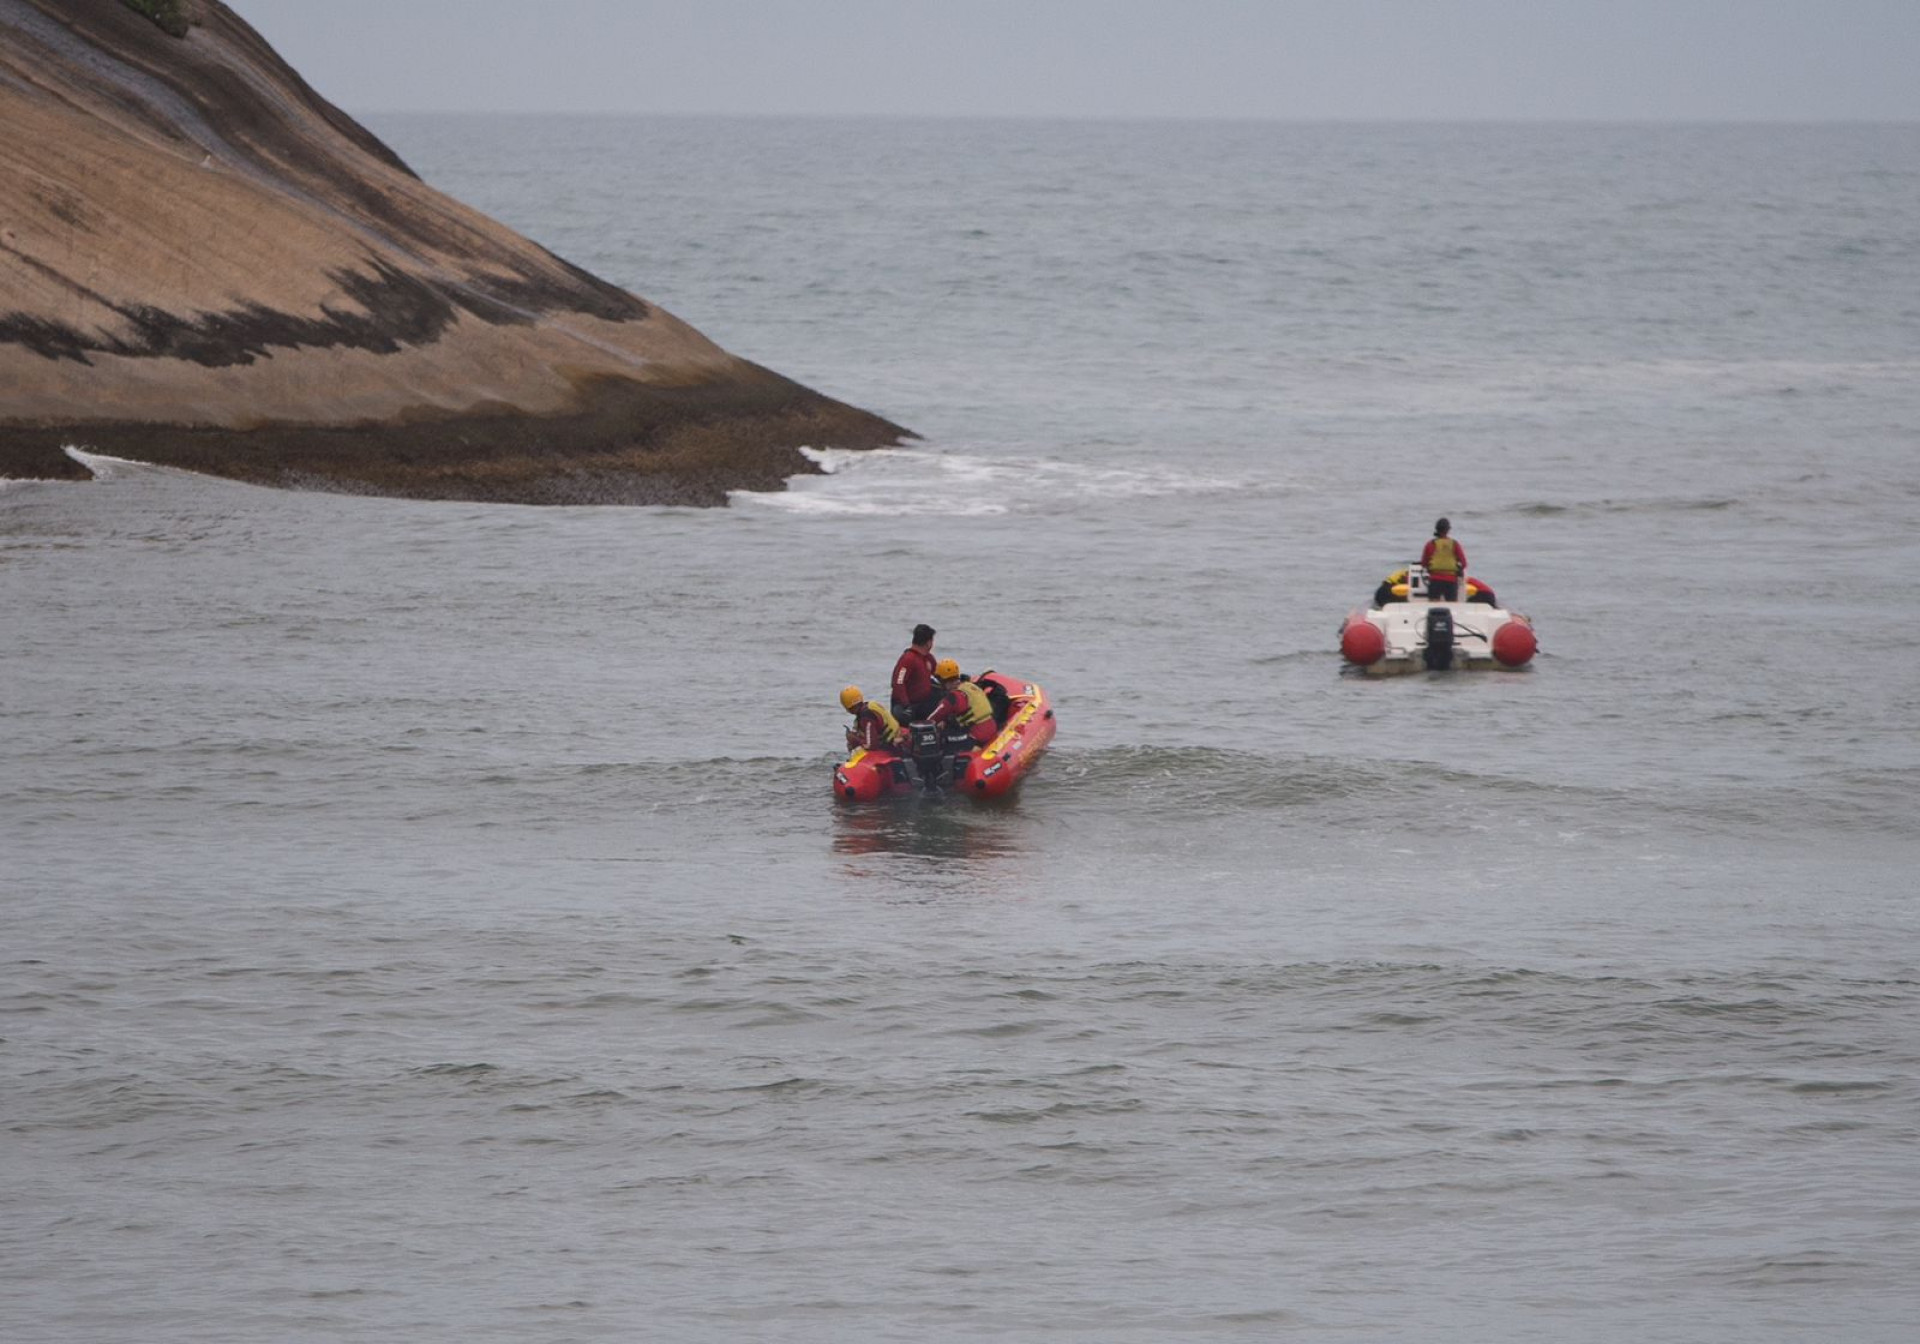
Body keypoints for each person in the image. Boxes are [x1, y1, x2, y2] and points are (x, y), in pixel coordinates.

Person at [926, 659, 999, 746]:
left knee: (942, 739)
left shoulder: (952, 698)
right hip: (992, 727)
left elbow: (933, 718)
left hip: (977, 734)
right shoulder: (970, 686)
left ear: (944, 681)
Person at [890, 623, 941, 721]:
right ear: (929, 642)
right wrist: (906, 705)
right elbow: (898, 682)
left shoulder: (928, 659)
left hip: (923, 703)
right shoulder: (908, 659)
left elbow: (940, 676)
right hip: (906, 706)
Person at [840, 686, 905, 753]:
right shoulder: (871, 705)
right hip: (896, 734)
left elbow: (871, 745)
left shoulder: (866, 716)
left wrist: (855, 740)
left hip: (892, 744)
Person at [1421, 517, 1467, 601]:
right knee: (1451, 606)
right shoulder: (1454, 544)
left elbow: (1424, 563)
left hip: (1435, 580)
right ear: (1448, 530)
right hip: (1451, 581)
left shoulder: (1430, 544)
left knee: (1433, 606)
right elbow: (1464, 563)